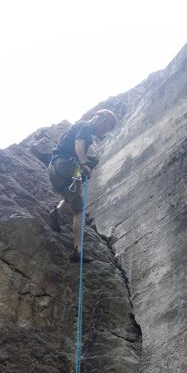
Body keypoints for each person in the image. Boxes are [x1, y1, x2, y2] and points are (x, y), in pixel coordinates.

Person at [48, 109, 118, 262]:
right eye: (105, 127)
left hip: (55, 170)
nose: (103, 131)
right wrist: (84, 163)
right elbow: (78, 143)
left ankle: (56, 213)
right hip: (64, 165)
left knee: (70, 198)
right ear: (100, 119)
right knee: (79, 211)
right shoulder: (85, 126)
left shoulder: (82, 128)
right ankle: (77, 251)